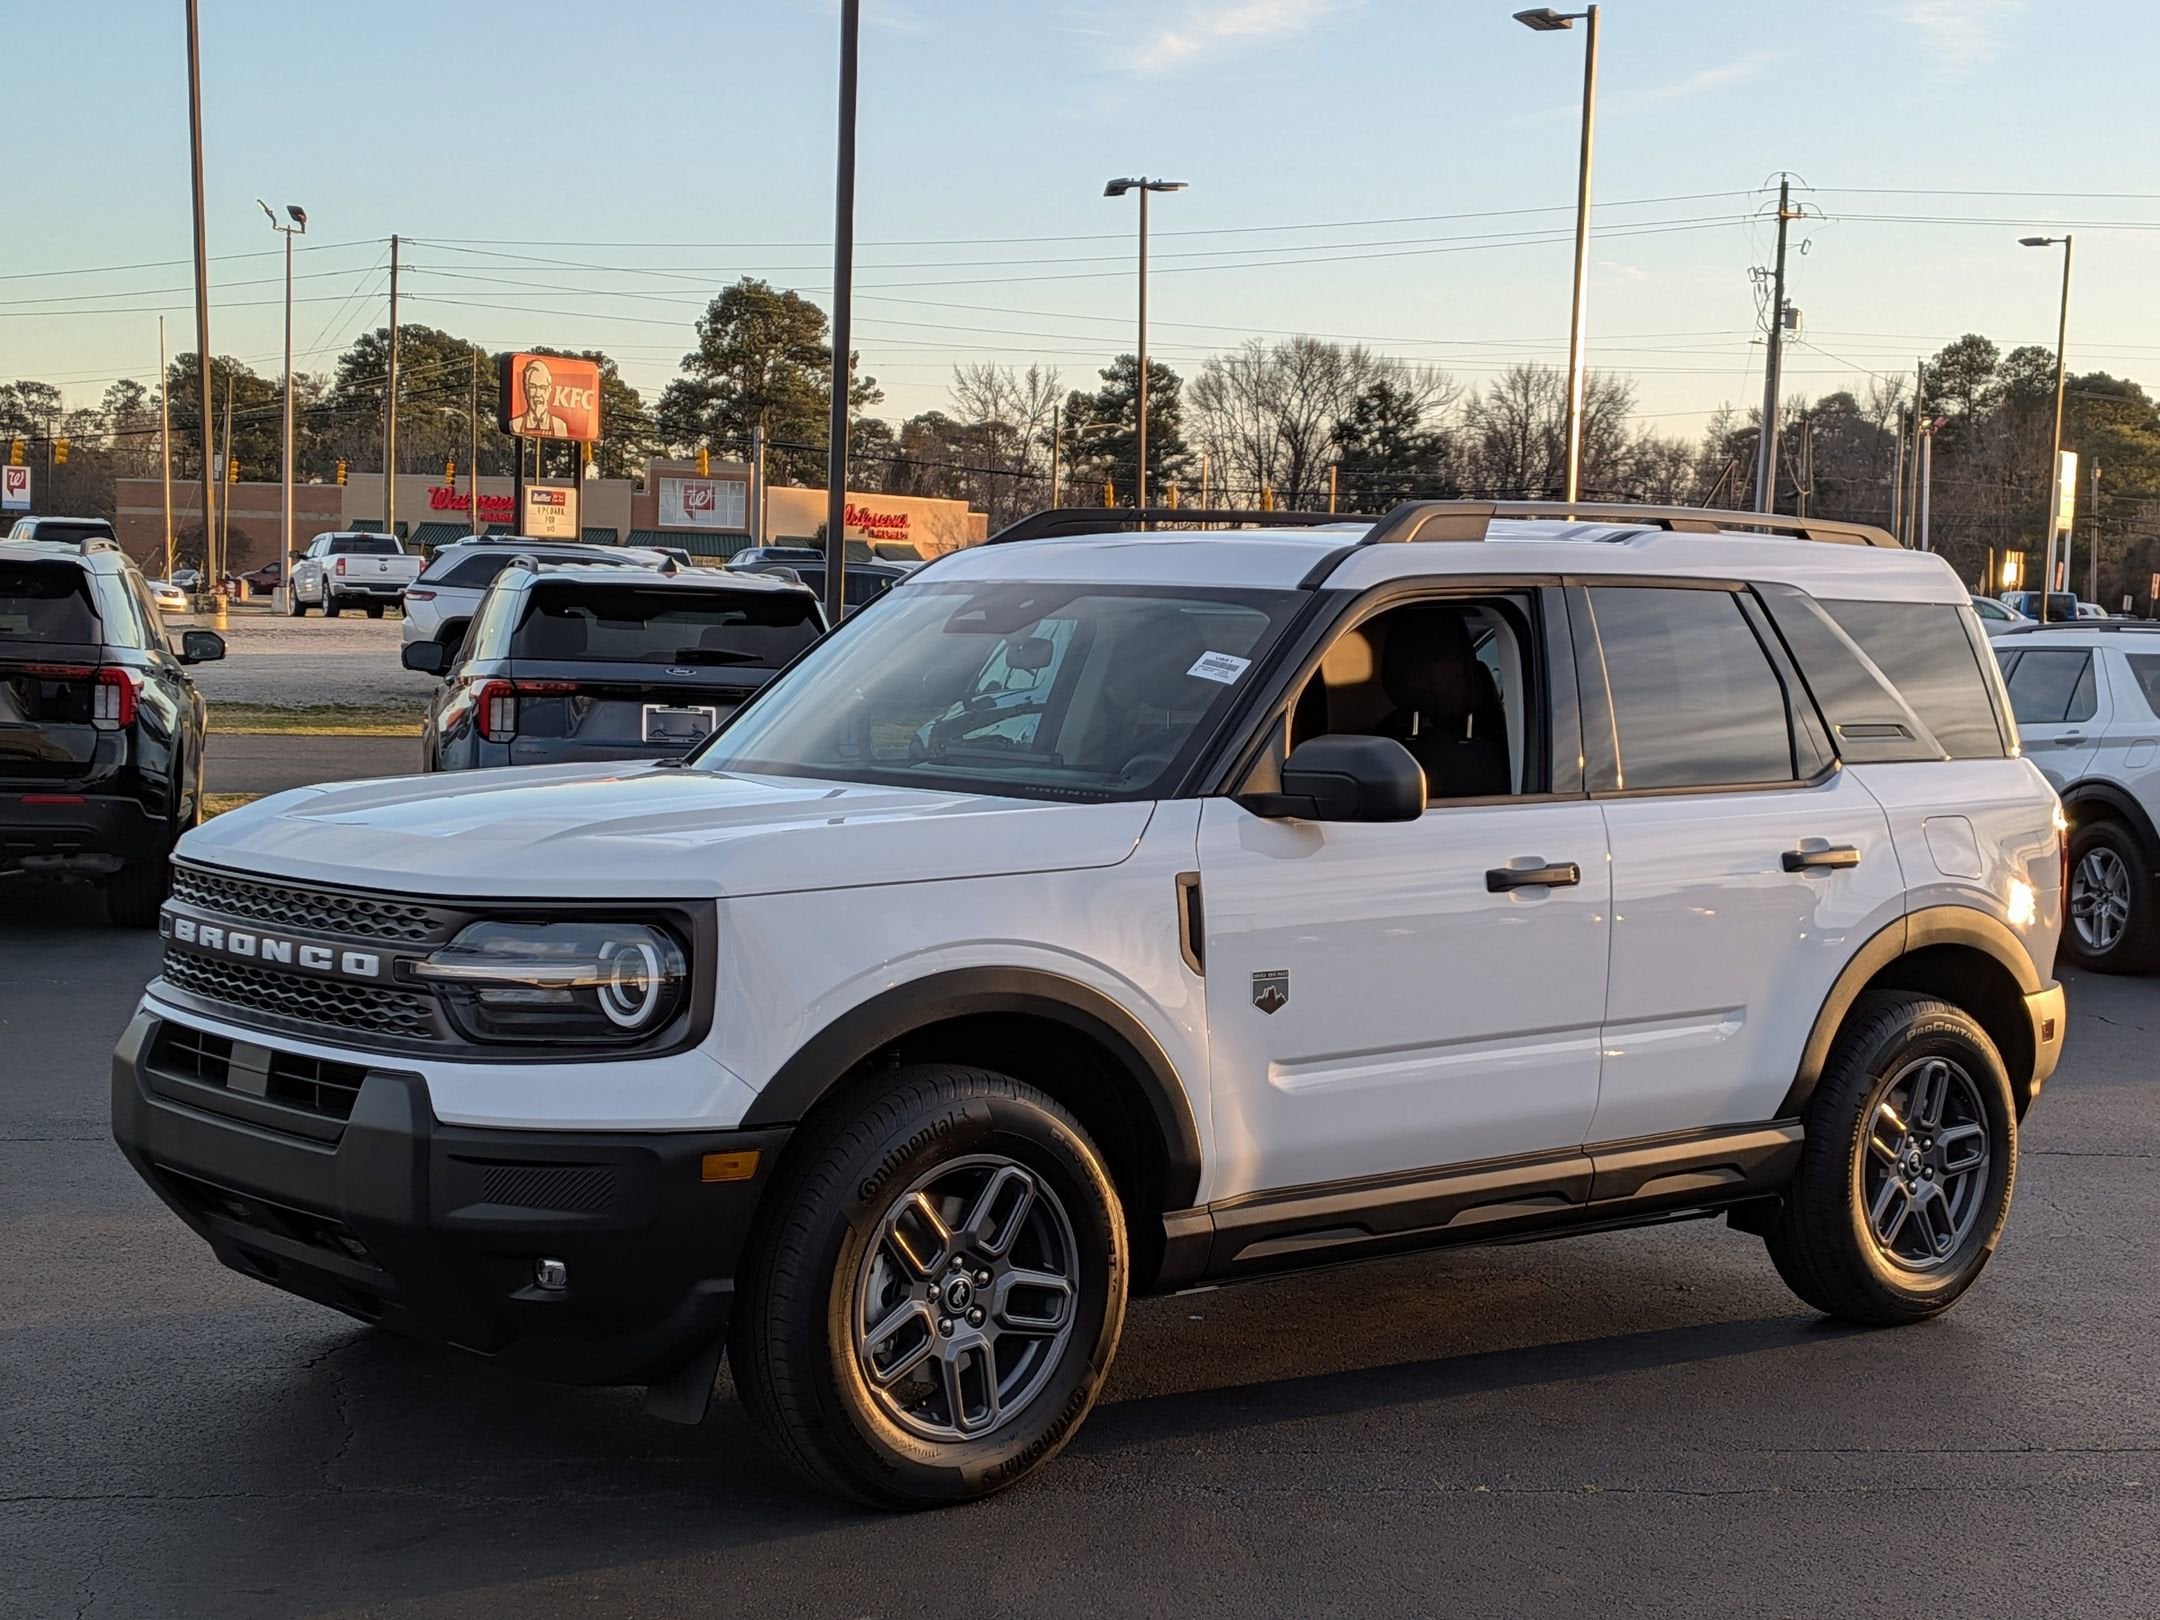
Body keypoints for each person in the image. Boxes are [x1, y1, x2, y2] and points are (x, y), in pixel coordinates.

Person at [515, 358, 568, 437]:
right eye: (533, 387)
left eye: (542, 387)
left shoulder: (559, 426)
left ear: (549, 390)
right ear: (526, 389)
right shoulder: (515, 424)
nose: (538, 394)